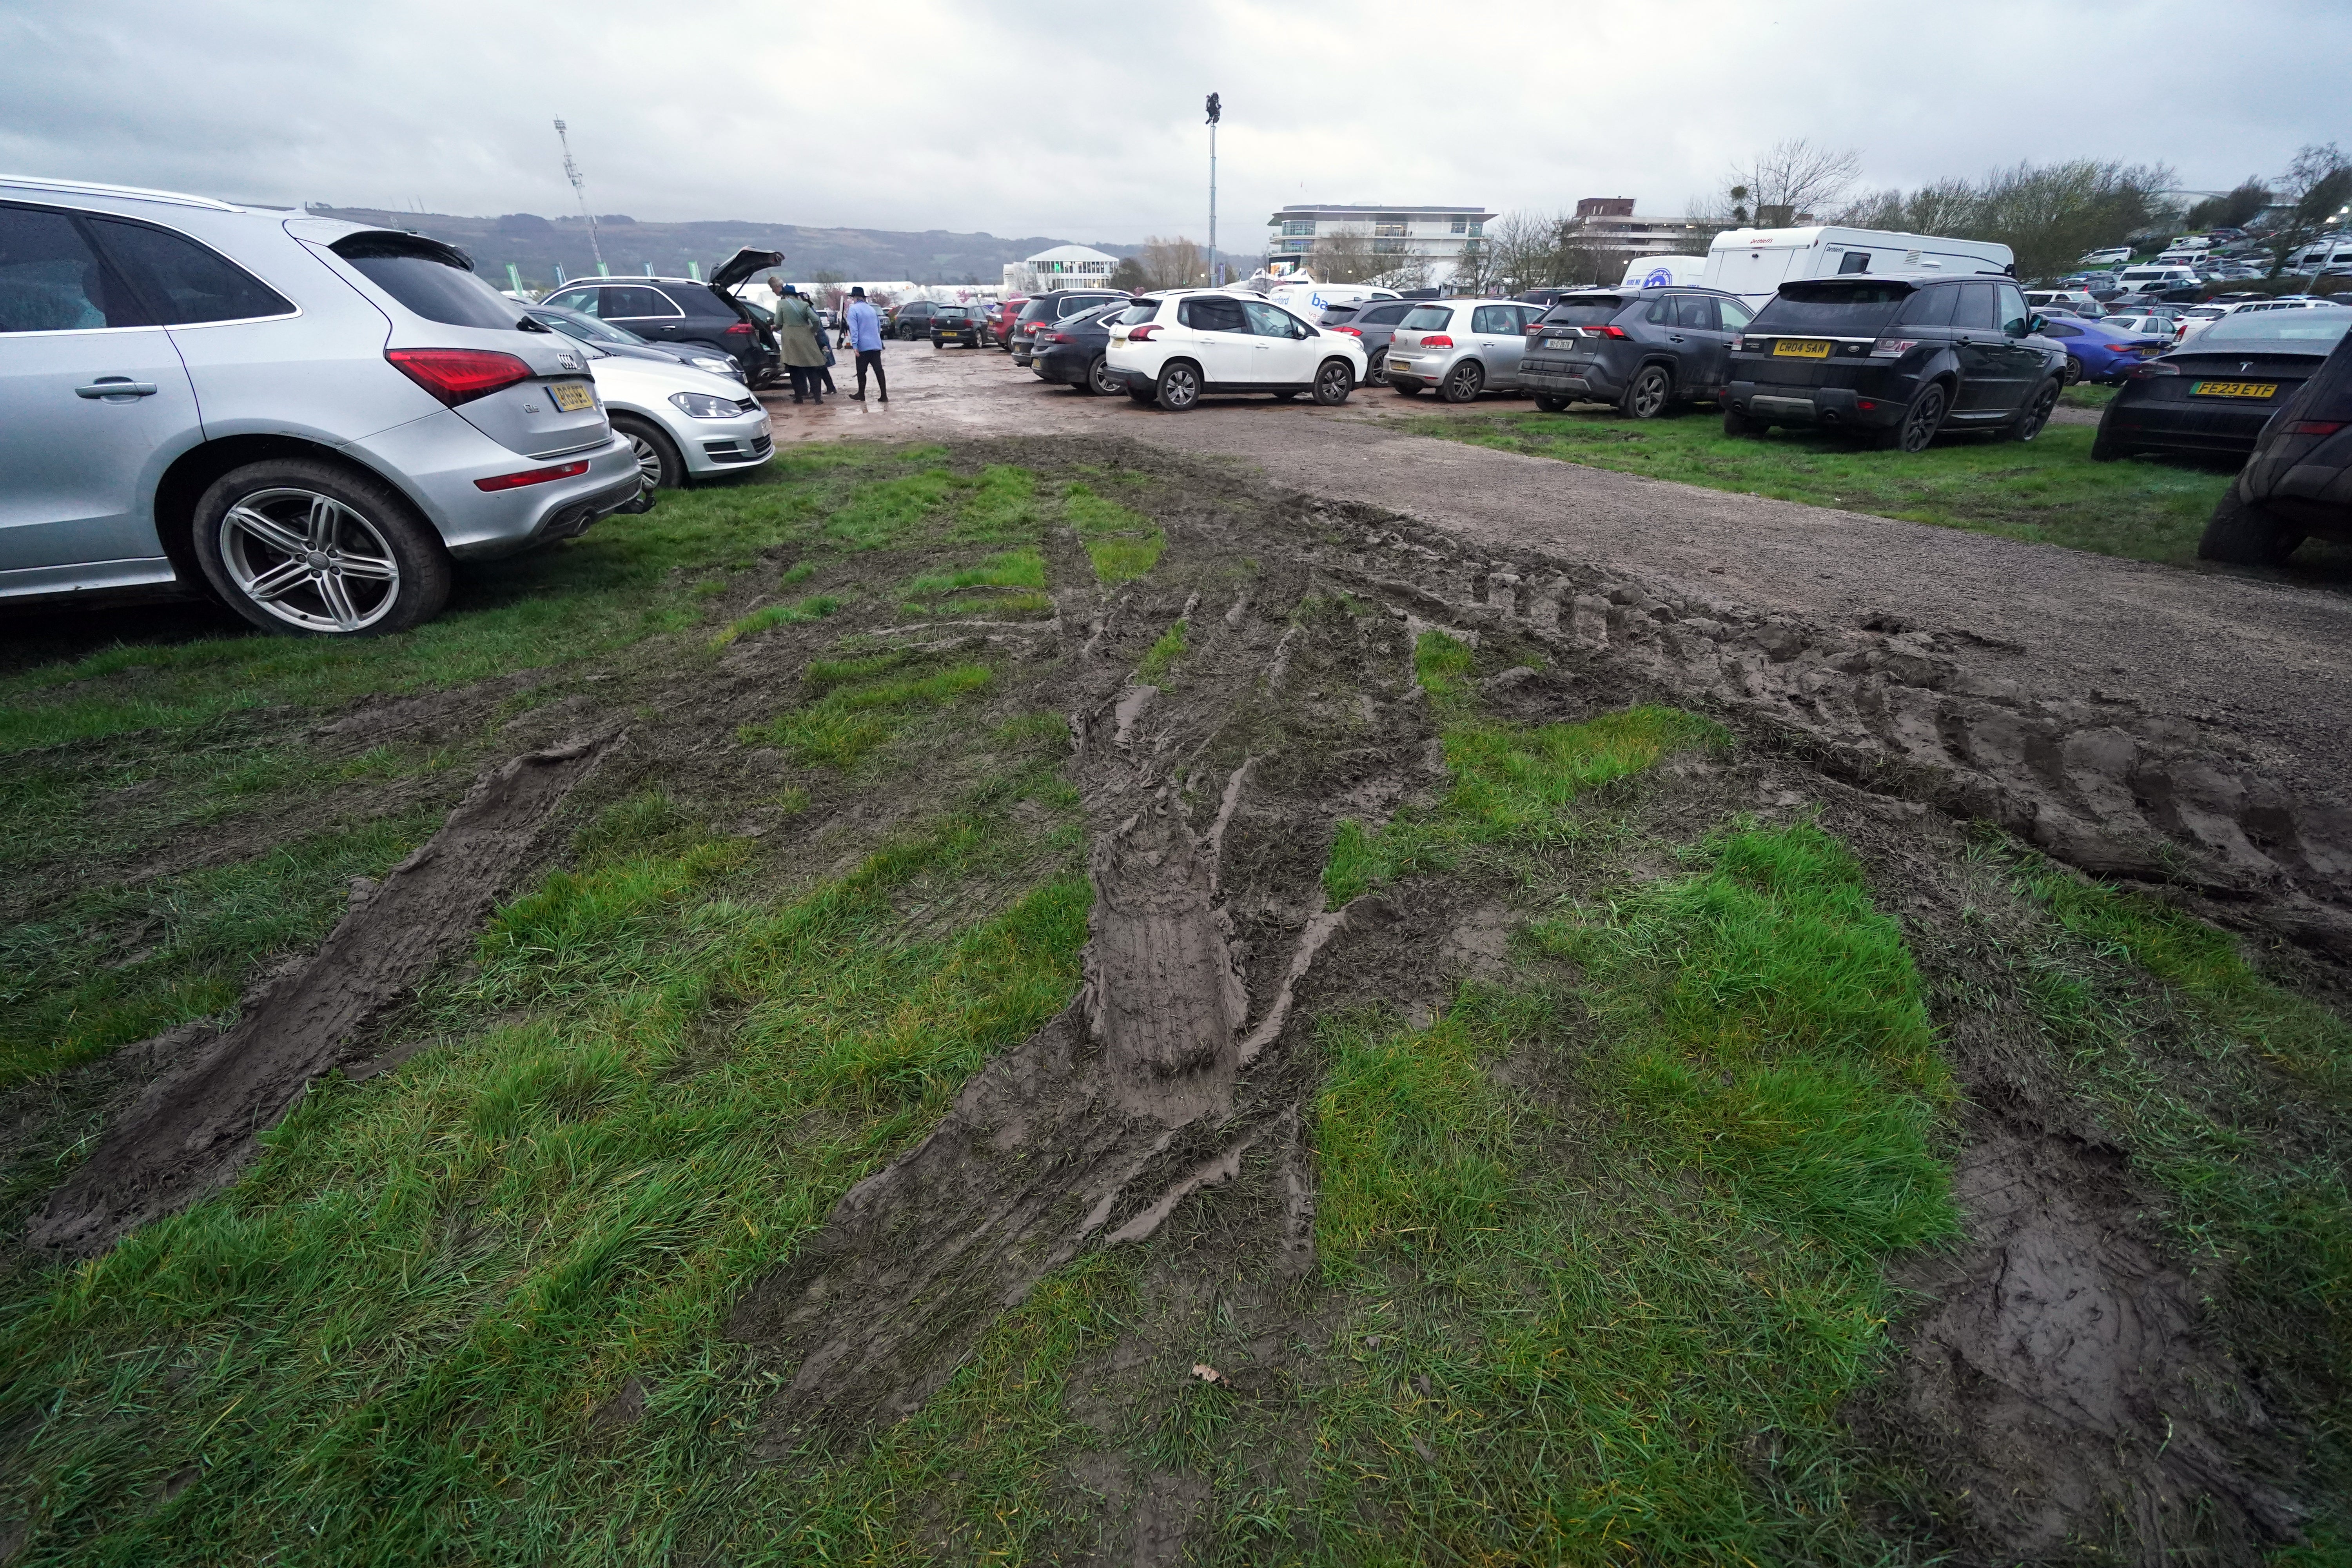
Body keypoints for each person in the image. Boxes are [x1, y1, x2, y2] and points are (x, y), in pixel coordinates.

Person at [767, 276, 827, 404]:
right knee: (812, 368)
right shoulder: (804, 305)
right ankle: (818, 399)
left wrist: (775, 327)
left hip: (790, 340)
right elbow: (816, 320)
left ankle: (799, 398)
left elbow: (778, 322)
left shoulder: (781, 304)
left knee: (794, 369)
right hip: (807, 338)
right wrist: (812, 330)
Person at [845, 286, 887, 402]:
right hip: (875, 345)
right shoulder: (872, 309)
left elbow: (854, 330)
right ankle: (884, 395)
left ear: (855, 298)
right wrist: (880, 342)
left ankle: (861, 394)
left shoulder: (854, 310)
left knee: (861, 371)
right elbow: (878, 328)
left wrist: (855, 346)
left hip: (863, 346)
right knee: (879, 370)